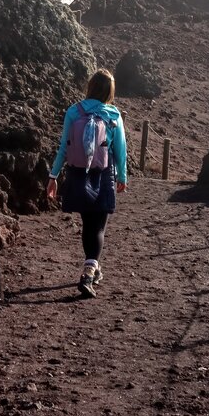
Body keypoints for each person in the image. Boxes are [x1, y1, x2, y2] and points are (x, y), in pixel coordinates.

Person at [47, 69, 128, 298]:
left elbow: (64, 147)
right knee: (99, 226)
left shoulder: (74, 111)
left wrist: (53, 176)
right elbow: (120, 150)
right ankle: (89, 273)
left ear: (90, 86)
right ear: (110, 91)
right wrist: (122, 177)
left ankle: (94, 267)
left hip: (78, 173)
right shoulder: (113, 114)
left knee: (88, 224)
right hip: (103, 173)